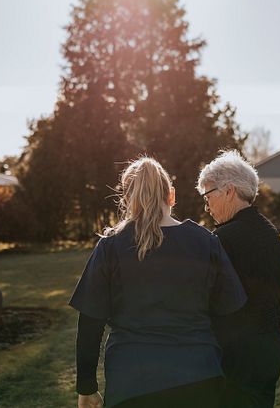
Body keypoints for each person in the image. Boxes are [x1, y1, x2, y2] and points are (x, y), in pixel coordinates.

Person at [69, 157, 247, 408]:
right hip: (200, 377)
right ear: (171, 196)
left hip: (132, 382)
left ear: (128, 199)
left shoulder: (111, 246)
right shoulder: (205, 242)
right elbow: (230, 312)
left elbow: (90, 322)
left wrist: (86, 386)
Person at [197, 150, 280, 408]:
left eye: (208, 195)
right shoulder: (269, 231)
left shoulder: (223, 240)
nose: (207, 205)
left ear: (229, 191)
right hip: (268, 350)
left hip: (236, 359)